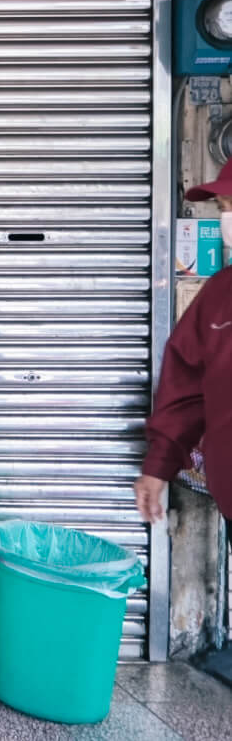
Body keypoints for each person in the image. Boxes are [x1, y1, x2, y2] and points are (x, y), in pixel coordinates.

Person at [137, 164, 232, 524]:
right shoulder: (221, 293)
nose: (227, 217)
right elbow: (187, 386)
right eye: (223, 207)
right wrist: (159, 466)